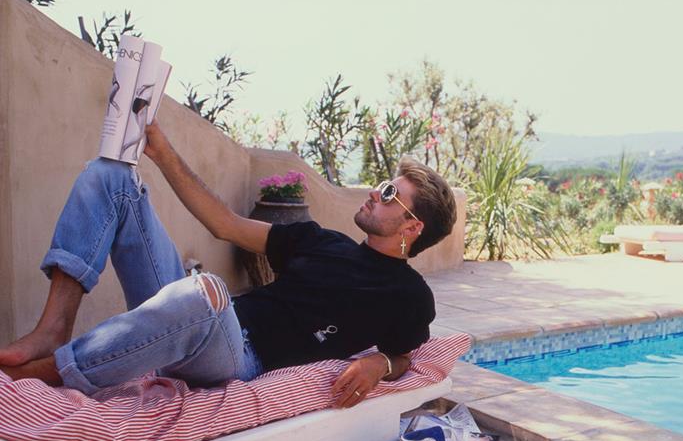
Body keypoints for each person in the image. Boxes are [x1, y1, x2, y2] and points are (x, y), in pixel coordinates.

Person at [0, 121, 457, 408]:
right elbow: (224, 223)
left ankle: (41, 375)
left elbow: (406, 355)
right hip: (197, 320)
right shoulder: (321, 241)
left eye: (391, 194)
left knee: (203, 293)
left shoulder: (409, 296)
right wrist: (162, 152)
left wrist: (381, 362)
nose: (376, 192)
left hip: (239, 357)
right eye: (383, 183)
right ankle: (54, 326)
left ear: (412, 228)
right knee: (112, 177)